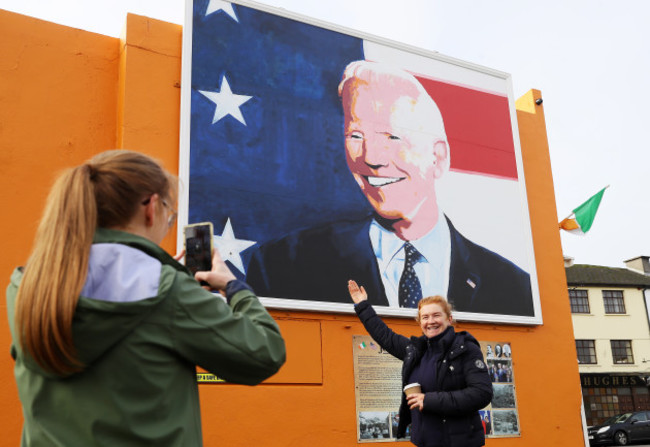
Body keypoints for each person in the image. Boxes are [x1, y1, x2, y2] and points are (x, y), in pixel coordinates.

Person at [6, 150, 286, 446]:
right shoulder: (169, 292)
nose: (167, 223)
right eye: (169, 213)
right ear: (151, 207)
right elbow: (264, 352)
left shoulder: (27, 285)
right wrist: (233, 286)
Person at [246, 60, 534, 317]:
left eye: (393, 136)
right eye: (355, 135)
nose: (371, 157)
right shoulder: (283, 266)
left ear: (438, 157)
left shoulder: (513, 286)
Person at [348, 280, 492, 447]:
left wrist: (428, 400)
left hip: (459, 442)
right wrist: (362, 305)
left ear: (449, 319)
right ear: (420, 322)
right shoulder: (416, 350)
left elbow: (481, 393)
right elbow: (385, 336)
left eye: (436, 315)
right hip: (425, 441)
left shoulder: (465, 348)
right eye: (425, 317)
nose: (430, 321)